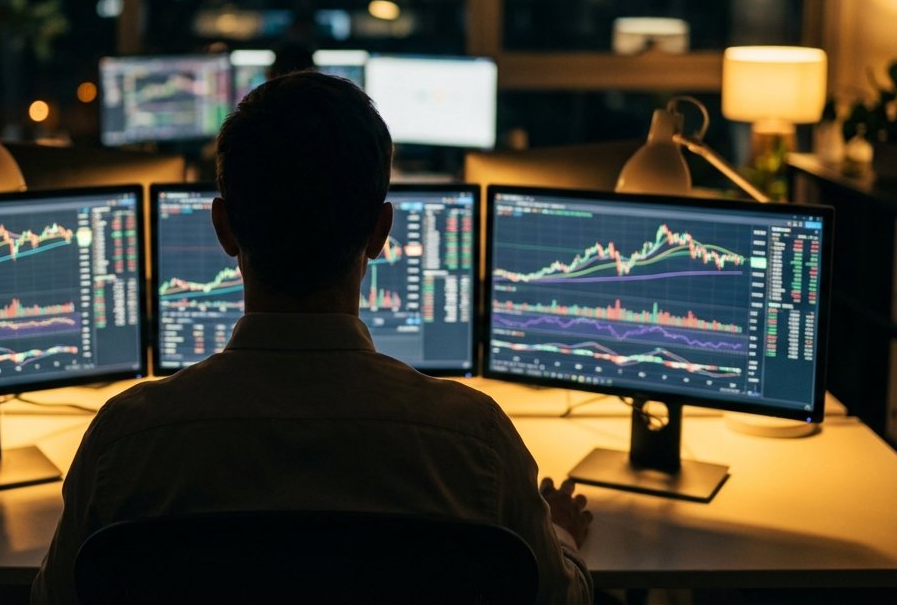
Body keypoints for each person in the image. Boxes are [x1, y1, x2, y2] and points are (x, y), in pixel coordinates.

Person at [32, 72, 594, 605]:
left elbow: (53, 600)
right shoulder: (476, 442)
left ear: (223, 228)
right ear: (381, 232)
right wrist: (562, 537)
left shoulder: (123, 441)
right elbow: (560, 600)